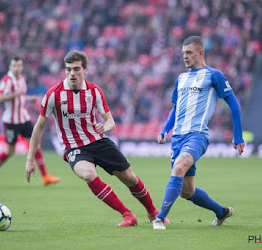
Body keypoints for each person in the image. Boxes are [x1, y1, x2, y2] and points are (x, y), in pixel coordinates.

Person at [25, 50, 169, 227]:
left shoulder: (94, 91)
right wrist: (30, 159)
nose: (72, 73)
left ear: (85, 70)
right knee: (88, 174)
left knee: (130, 178)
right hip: (74, 147)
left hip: (98, 141)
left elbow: (110, 122)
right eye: (68, 69)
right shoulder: (53, 95)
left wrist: (105, 127)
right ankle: (127, 215)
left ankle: (153, 212)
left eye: (76, 69)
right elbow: (39, 127)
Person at [153, 36, 245, 230]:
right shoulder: (182, 78)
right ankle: (221, 212)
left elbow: (234, 104)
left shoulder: (214, 75)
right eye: (183, 53)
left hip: (197, 135)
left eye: (189, 52)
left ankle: (159, 218)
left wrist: (238, 137)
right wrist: (164, 130)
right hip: (177, 137)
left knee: (179, 167)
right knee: (186, 191)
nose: (185, 56)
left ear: (201, 52)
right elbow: (176, 108)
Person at [0, 56, 60, 187]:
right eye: (15, 65)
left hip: (24, 118)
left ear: (22, 66)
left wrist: (28, 98)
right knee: (10, 151)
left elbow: (20, 96)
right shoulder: (6, 80)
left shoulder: (21, 79)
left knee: (36, 145)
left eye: (19, 65)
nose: (17, 68)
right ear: (10, 67)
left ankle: (45, 177)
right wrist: (16, 94)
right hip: (11, 121)